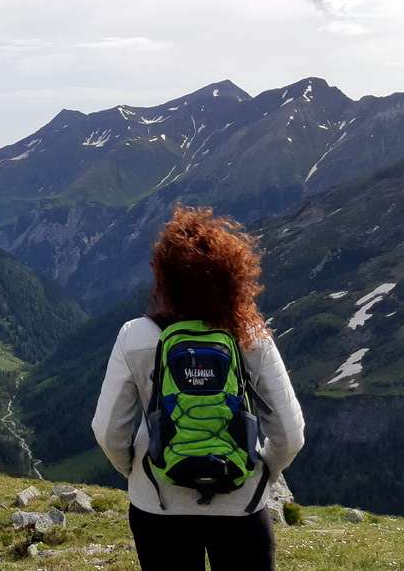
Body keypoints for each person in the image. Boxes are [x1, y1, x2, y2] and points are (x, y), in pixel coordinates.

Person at [91, 206, 305, 571]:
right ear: (233, 278)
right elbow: (290, 434)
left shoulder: (135, 336)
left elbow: (108, 431)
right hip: (241, 507)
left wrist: (139, 473)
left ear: (165, 278)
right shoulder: (252, 338)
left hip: (158, 508)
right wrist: (260, 474)